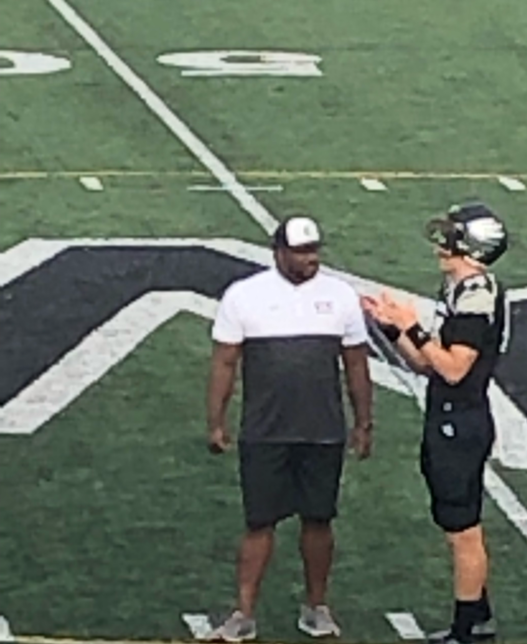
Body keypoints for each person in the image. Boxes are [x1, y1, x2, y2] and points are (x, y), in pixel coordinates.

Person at [205, 215, 374, 642]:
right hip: (265, 430)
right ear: (278, 252)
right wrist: (216, 420)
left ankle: (317, 606)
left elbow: (356, 363)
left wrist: (364, 423)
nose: (310, 258)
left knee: (319, 520)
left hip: (322, 430)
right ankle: (243, 613)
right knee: (259, 522)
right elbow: (225, 362)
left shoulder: (340, 297)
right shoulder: (244, 296)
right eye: (301, 251)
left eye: (314, 249)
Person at [363, 203, 509, 644]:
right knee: (455, 525)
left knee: (463, 533)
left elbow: (452, 369)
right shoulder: (462, 290)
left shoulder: (477, 294)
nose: (440, 244)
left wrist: (414, 326)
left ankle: (469, 632)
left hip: (460, 421)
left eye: (450, 236)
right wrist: (394, 329)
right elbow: (427, 365)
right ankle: (477, 619)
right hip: (448, 416)